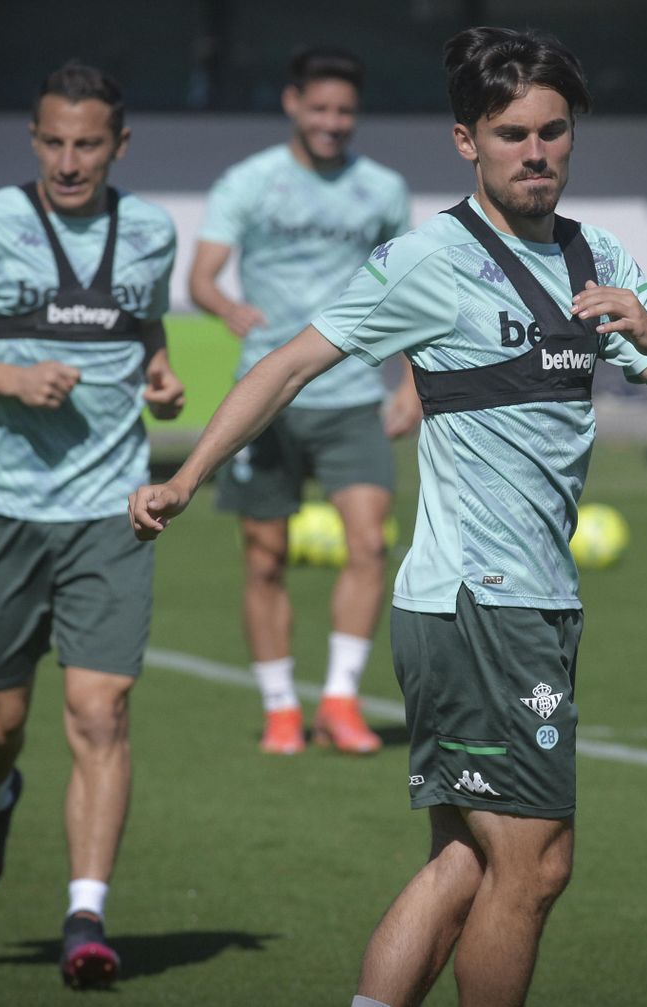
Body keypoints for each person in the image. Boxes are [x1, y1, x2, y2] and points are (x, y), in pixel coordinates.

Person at [128, 27, 647, 1006]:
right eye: (511, 133)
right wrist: (187, 478)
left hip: (536, 601)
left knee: (467, 861)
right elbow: (286, 362)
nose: (537, 152)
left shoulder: (597, 255)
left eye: (553, 131)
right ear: (465, 141)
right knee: (533, 865)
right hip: (476, 606)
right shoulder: (430, 258)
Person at [0, 61, 183, 989]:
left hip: (111, 508)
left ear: (119, 144)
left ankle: (85, 914)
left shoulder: (150, 230)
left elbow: (145, 331)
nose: (69, 161)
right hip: (5, 508)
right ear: (34, 140)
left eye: (88, 143)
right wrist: (12, 378)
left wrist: (161, 377)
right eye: (54, 143)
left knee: (100, 710)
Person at [189, 46, 417, 756]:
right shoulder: (249, 182)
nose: (332, 122)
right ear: (293, 104)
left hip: (351, 390)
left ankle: (341, 702)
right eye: (320, 108)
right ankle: (282, 707)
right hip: (266, 391)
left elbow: (412, 292)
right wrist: (224, 305)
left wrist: (412, 381)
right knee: (264, 558)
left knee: (369, 544)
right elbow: (202, 276)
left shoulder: (382, 189)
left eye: (345, 111)